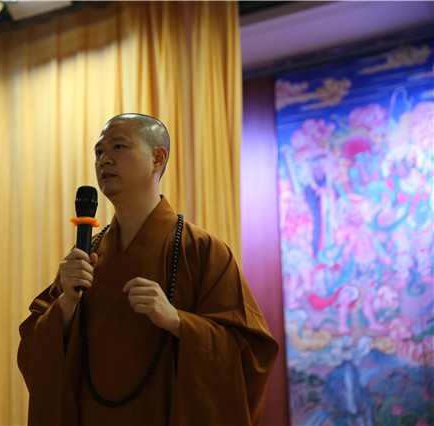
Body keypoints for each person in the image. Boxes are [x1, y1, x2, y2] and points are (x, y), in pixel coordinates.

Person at [18, 113, 279, 425]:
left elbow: (249, 355)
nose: (104, 160)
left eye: (118, 147)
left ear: (158, 158)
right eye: (99, 152)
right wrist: (66, 304)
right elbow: (33, 347)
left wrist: (177, 321)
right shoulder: (86, 258)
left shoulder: (200, 249)